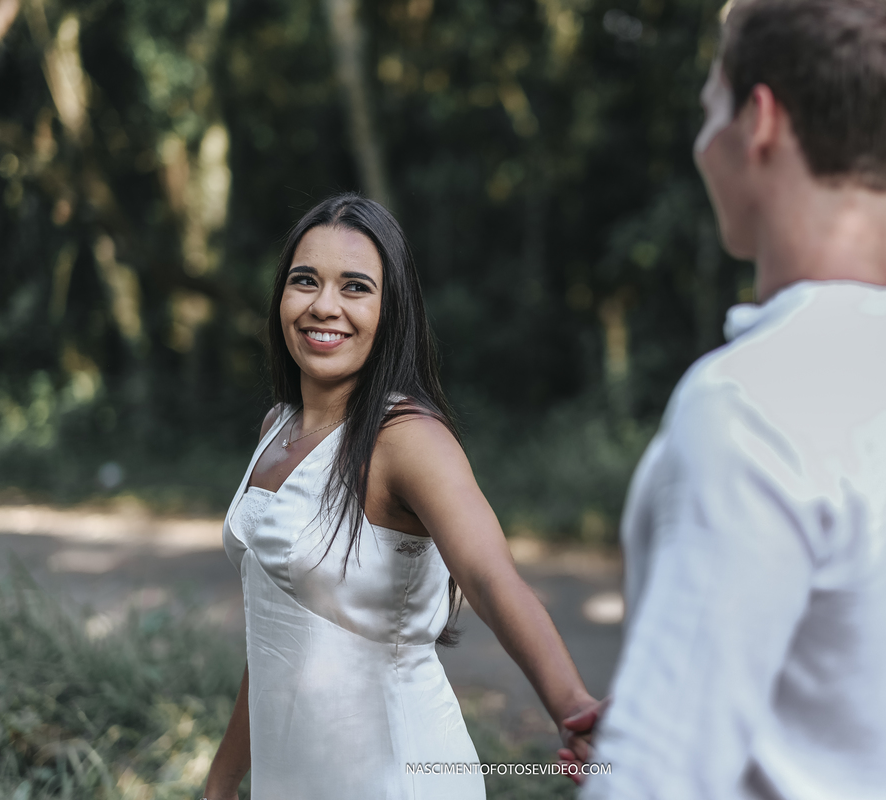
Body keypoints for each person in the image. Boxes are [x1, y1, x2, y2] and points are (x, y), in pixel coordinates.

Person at [568, 1, 886, 797]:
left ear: (760, 120)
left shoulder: (747, 403)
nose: (703, 141)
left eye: (712, 106)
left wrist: (641, 747)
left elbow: (655, 782)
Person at [201, 193, 598, 800]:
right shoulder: (277, 428)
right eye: (305, 281)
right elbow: (274, 633)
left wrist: (572, 706)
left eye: (355, 287)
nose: (323, 306)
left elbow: (492, 579)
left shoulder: (408, 438)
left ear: (392, 311)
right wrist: (224, 780)